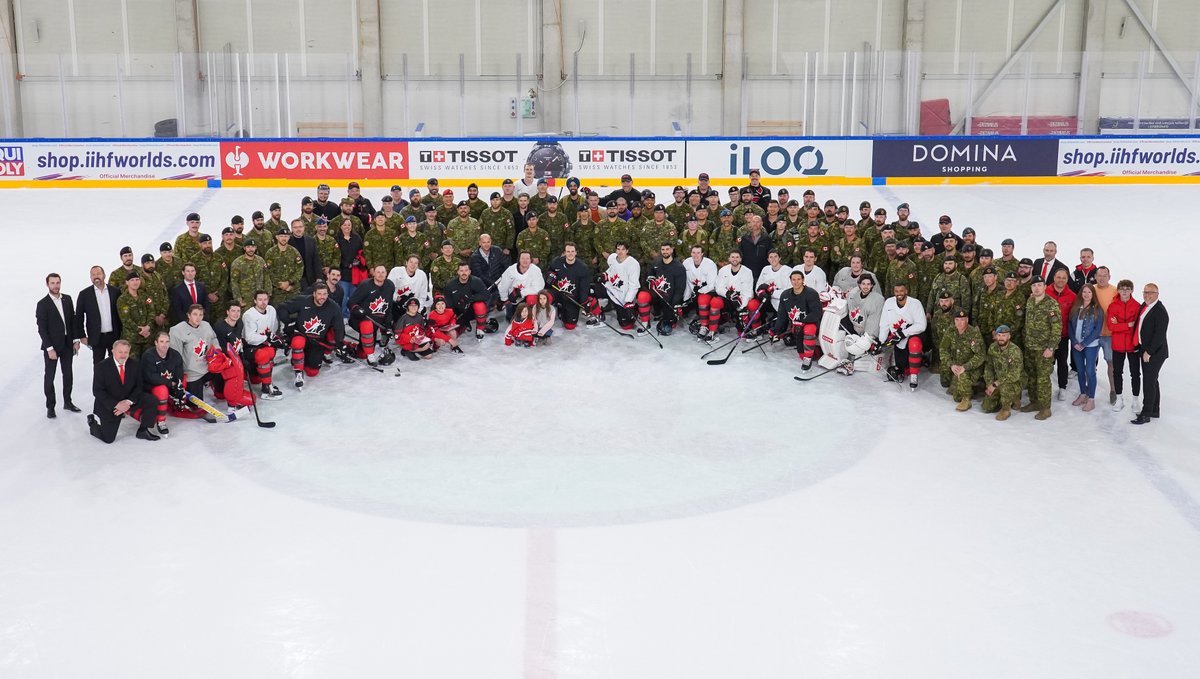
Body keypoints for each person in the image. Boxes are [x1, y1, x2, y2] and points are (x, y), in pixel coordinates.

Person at [88, 339, 160, 443]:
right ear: (113, 351)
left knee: (151, 400)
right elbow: (97, 391)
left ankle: (143, 430)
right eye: (120, 352)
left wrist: (128, 402)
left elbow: (139, 386)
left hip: (129, 399)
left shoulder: (135, 364)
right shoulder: (101, 367)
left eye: (126, 352)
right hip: (111, 404)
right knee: (108, 439)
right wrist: (117, 405)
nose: (123, 355)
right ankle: (92, 423)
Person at [277, 282, 345, 389]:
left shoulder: (333, 306)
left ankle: (305, 357)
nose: (322, 297)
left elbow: (339, 326)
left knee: (312, 372)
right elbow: (282, 308)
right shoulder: (303, 300)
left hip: (317, 341)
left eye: (324, 294)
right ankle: (298, 372)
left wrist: (339, 342)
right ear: (314, 294)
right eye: (319, 294)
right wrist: (288, 322)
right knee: (298, 342)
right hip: (301, 335)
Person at [37, 272, 80, 418]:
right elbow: (42, 328)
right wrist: (49, 348)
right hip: (52, 348)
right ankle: (50, 406)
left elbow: (72, 321)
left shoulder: (67, 299)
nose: (56, 286)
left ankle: (68, 402)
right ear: (47, 284)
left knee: (68, 375)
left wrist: (75, 340)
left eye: (58, 283)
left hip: (68, 345)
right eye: (53, 283)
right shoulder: (42, 304)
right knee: (50, 377)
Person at [1022, 276, 1063, 419]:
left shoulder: (1051, 304)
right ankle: (1034, 402)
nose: (1037, 288)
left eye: (1040, 285)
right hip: (1030, 346)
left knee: (1043, 378)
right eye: (1034, 286)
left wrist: (1051, 348)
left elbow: (1057, 329)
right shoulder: (1030, 301)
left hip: (1043, 349)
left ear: (1045, 287)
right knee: (1032, 376)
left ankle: (1045, 408)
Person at [141, 330, 192, 438]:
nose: (164, 345)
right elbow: (151, 377)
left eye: (167, 341)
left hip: (170, 383)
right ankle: (161, 421)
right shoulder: (148, 355)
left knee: (183, 381)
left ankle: (178, 402)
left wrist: (178, 385)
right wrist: (171, 384)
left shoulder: (175, 355)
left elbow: (179, 373)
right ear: (156, 342)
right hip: (151, 386)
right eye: (161, 341)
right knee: (162, 389)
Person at [771, 270, 823, 369]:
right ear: (790, 281)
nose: (796, 282)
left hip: (810, 324)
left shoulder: (811, 293)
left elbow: (817, 313)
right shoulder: (785, 295)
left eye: (799, 279)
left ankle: (808, 358)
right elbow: (782, 316)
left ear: (803, 280)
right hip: (796, 327)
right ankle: (813, 353)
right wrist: (775, 331)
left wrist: (803, 322)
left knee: (809, 329)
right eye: (793, 279)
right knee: (801, 355)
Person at [878, 283, 927, 389]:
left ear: (906, 291)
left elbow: (922, 325)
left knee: (914, 344)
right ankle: (912, 365)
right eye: (896, 291)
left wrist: (903, 333)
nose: (899, 293)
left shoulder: (915, 303)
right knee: (902, 366)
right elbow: (884, 323)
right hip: (898, 338)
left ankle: (914, 376)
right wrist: (881, 341)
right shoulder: (889, 303)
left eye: (901, 291)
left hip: (914, 335)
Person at [1131, 283, 1167, 424]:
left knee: (1148, 382)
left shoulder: (1160, 311)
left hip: (1154, 353)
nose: (1147, 295)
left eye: (1150, 292)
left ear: (1157, 294)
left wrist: (1149, 352)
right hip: (1144, 349)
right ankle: (1154, 410)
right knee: (1152, 381)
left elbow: (1159, 335)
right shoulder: (1144, 306)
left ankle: (1146, 414)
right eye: (1145, 292)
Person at [348, 265, 397, 365]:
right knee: (367, 326)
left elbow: (389, 306)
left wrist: (388, 325)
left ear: (386, 274)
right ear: (373, 273)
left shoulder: (390, 285)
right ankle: (370, 356)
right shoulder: (365, 285)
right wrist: (358, 309)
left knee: (362, 353)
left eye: (383, 272)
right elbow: (351, 302)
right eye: (378, 272)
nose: (380, 274)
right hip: (362, 319)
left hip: (377, 321)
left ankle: (355, 347)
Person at [242, 290, 284, 400]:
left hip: (264, 344)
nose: (263, 302)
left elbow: (273, 329)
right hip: (249, 347)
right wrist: (267, 338)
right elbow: (249, 338)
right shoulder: (249, 315)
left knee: (270, 351)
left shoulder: (271, 310)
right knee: (263, 355)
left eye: (265, 299)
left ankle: (267, 384)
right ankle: (266, 390)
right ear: (255, 300)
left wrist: (273, 340)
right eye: (260, 300)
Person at [1067, 283, 1104, 412]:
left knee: (1090, 371)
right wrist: (1074, 341)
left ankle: (1091, 399)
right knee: (1080, 371)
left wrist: (1084, 343)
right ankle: (1083, 394)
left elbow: (1097, 330)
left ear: (1093, 294)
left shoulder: (1097, 310)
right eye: (1084, 292)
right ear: (1081, 294)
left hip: (1090, 346)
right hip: (1076, 345)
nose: (1086, 295)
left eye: (1089, 292)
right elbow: (1070, 325)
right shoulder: (1076, 308)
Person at [940, 309, 985, 411]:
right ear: (954, 321)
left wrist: (965, 367)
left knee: (960, 390)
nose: (959, 323)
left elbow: (981, 355)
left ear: (967, 320)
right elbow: (943, 349)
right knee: (955, 396)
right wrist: (951, 365)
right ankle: (966, 386)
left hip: (972, 368)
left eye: (962, 320)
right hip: (956, 365)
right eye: (957, 320)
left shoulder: (974, 333)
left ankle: (966, 399)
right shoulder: (951, 331)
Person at [76, 266, 122, 365]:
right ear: (90, 277)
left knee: (116, 365)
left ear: (104, 275)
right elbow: (79, 317)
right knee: (98, 366)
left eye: (98, 274)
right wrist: (82, 336)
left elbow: (120, 314)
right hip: (97, 337)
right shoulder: (84, 294)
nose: (96, 277)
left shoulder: (115, 291)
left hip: (114, 336)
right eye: (93, 275)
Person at [1107, 279, 1141, 413]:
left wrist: (1119, 325)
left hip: (1133, 346)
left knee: (1135, 374)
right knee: (1117, 372)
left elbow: (1137, 328)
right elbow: (1111, 326)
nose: (1124, 291)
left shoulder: (1138, 306)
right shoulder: (1113, 306)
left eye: (1127, 289)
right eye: (1122, 289)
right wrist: (1128, 325)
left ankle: (1135, 400)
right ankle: (1119, 399)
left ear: (1132, 290)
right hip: (1118, 345)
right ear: (1118, 290)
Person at [640, 243, 687, 335]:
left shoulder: (679, 267)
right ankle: (645, 323)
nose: (665, 251)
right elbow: (651, 273)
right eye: (663, 249)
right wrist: (651, 279)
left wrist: (675, 304)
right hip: (657, 293)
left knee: (670, 325)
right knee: (642, 296)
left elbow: (680, 289)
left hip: (669, 299)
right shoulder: (656, 262)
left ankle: (666, 315)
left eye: (667, 249)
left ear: (672, 250)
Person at [546, 242, 595, 330]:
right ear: (564, 252)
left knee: (570, 326)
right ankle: (543, 319)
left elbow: (584, 288)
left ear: (576, 252)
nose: (570, 254)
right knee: (545, 297)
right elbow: (550, 271)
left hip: (571, 297)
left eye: (572, 251)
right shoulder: (557, 261)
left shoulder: (582, 267)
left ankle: (563, 309)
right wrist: (550, 276)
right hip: (558, 291)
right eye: (568, 251)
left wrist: (584, 302)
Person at [1045, 269, 1076, 401]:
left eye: (1064, 278)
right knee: (1045, 362)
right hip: (1046, 335)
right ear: (1054, 277)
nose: (1061, 280)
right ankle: (1044, 387)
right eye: (1059, 277)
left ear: (1067, 279)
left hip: (1062, 336)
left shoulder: (1072, 296)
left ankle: (1062, 387)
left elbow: (1074, 316)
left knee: (1062, 362)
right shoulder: (1045, 292)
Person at [982, 325, 1023, 421]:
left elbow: (1014, 374)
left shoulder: (1015, 351)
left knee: (1005, 387)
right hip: (997, 380)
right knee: (986, 407)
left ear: (1009, 336)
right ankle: (1006, 399)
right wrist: (989, 383)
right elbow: (989, 367)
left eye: (1004, 335)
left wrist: (995, 384)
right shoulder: (993, 348)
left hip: (1015, 381)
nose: (1001, 338)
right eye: (999, 335)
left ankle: (1006, 409)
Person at [714, 250, 760, 334]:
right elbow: (718, 288)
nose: (735, 259)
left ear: (740, 259)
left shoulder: (747, 272)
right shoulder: (723, 270)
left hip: (742, 300)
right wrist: (727, 293)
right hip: (728, 299)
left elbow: (747, 291)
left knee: (742, 333)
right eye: (732, 257)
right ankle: (712, 330)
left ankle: (755, 329)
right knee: (715, 302)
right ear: (729, 259)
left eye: (737, 257)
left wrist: (742, 307)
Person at [683, 245, 720, 340]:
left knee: (702, 299)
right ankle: (701, 319)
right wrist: (685, 298)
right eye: (693, 252)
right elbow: (687, 281)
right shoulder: (686, 262)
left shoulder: (710, 264)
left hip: (709, 291)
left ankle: (704, 326)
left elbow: (712, 284)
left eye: (698, 253)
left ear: (702, 253)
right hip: (695, 292)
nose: (696, 255)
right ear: (690, 253)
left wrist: (700, 291)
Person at [602, 242, 641, 330]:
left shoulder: (633, 264)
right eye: (618, 249)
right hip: (611, 289)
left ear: (627, 251)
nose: (620, 252)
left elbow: (634, 285)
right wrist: (604, 275)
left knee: (626, 325)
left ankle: (635, 310)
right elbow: (611, 269)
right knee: (592, 290)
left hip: (623, 296)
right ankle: (597, 314)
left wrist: (628, 300)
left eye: (623, 249)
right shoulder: (613, 258)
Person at [498, 251, 546, 322]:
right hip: (513, 298)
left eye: (527, 258)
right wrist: (505, 299)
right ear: (519, 260)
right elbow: (503, 285)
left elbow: (539, 287)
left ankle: (532, 317)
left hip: (527, 296)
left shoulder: (535, 270)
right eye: (522, 258)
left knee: (532, 298)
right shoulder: (511, 270)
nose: (525, 261)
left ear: (531, 260)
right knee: (512, 319)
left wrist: (522, 292)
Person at [470, 233, 508, 307]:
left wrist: (503, 280)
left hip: (500, 282)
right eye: (484, 242)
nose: (486, 244)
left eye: (488, 242)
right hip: (485, 286)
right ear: (480, 243)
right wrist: (494, 284)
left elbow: (506, 265)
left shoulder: (497, 250)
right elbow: (478, 275)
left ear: (491, 242)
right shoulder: (474, 257)